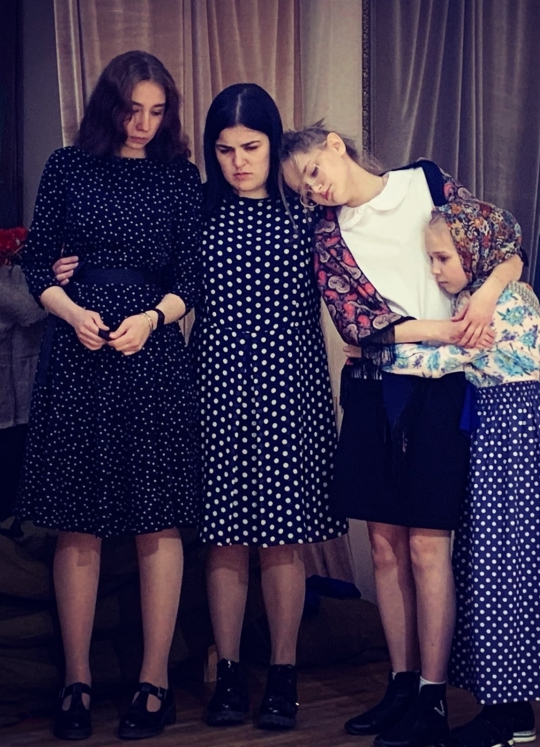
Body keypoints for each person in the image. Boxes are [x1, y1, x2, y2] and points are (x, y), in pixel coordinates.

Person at [279, 126, 523, 747]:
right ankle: (401, 682)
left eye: (312, 171)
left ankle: (432, 696)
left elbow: (504, 246)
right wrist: (444, 331)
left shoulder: (427, 182)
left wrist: (487, 298)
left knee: (427, 547)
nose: (313, 189)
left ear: (334, 145)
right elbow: (358, 326)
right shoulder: (326, 234)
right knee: (384, 549)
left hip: (442, 391)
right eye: (302, 188)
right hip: (372, 390)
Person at [18, 50, 202, 742]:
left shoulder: (179, 176)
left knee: (158, 518)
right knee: (79, 518)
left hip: (151, 352)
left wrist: (152, 320)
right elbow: (36, 260)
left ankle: (155, 682)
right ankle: (77, 681)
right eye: (132, 110)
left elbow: (192, 275)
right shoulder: (68, 166)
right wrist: (71, 313)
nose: (143, 124)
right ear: (109, 106)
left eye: (157, 112)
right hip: (79, 352)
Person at [386, 201, 540, 747]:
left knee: (504, 568)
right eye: (431, 259)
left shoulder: (502, 303)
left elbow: (441, 360)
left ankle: (510, 715)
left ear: (475, 251)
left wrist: (377, 348)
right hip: (498, 431)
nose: (435, 270)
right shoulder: (485, 294)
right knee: (494, 565)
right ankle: (507, 709)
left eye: (443, 258)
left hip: (510, 435)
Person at [194, 84, 347, 731]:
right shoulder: (200, 211)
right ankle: (228, 671)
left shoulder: (306, 211)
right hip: (217, 381)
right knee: (225, 538)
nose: (238, 162)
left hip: (292, 384)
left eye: (251, 147)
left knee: (284, 540)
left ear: (272, 142)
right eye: (225, 150)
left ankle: (284, 674)